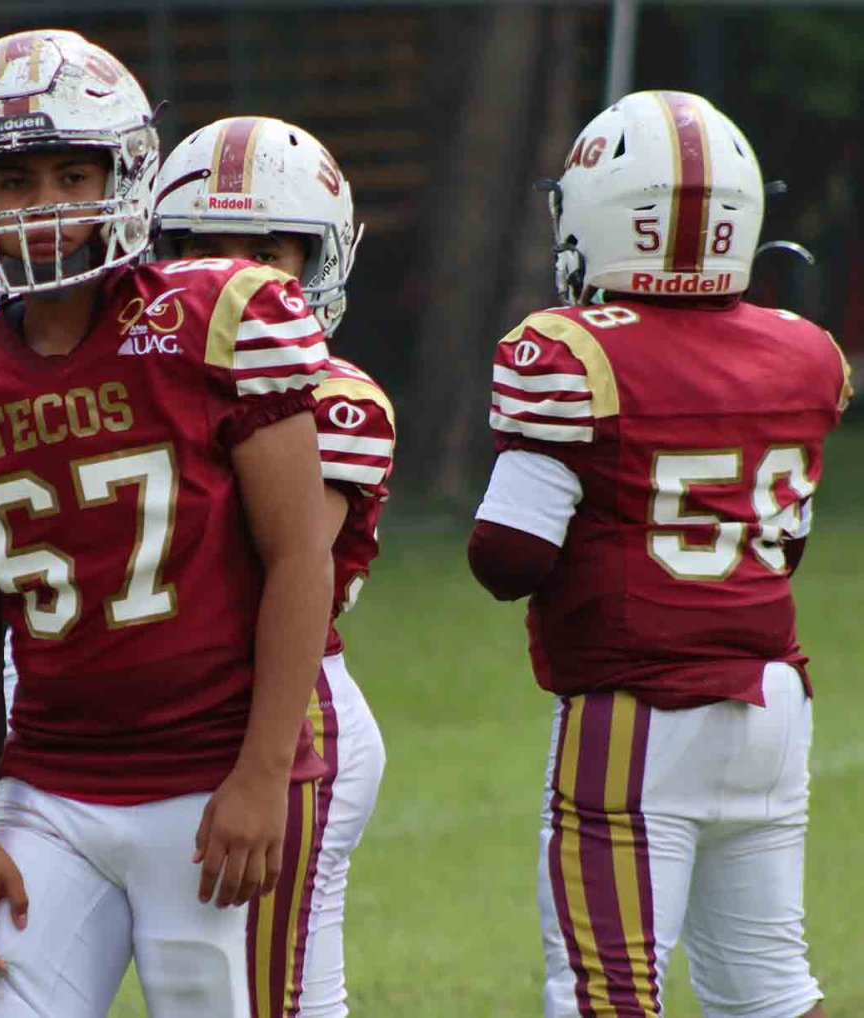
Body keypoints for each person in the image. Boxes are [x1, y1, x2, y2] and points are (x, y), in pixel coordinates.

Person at [0, 29, 335, 1017]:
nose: (44, 203)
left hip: (210, 773)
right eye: (13, 181)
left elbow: (302, 556)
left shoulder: (220, 318)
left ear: (121, 174)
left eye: (71, 174)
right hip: (50, 786)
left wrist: (264, 771)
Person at [466, 90, 850, 1018]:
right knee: (769, 985)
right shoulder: (804, 350)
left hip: (638, 712)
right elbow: (783, 546)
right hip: (772, 701)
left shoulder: (571, 352)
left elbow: (507, 557)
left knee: (607, 991)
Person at [153, 115, 392, 1018]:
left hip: (291, 709)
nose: (235, 275)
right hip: (170, 705)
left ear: (320, 261)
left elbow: (267, 564)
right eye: (205, 248)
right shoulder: (134, 380)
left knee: (272, 996)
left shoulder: (335, 398)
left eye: (266, 251)